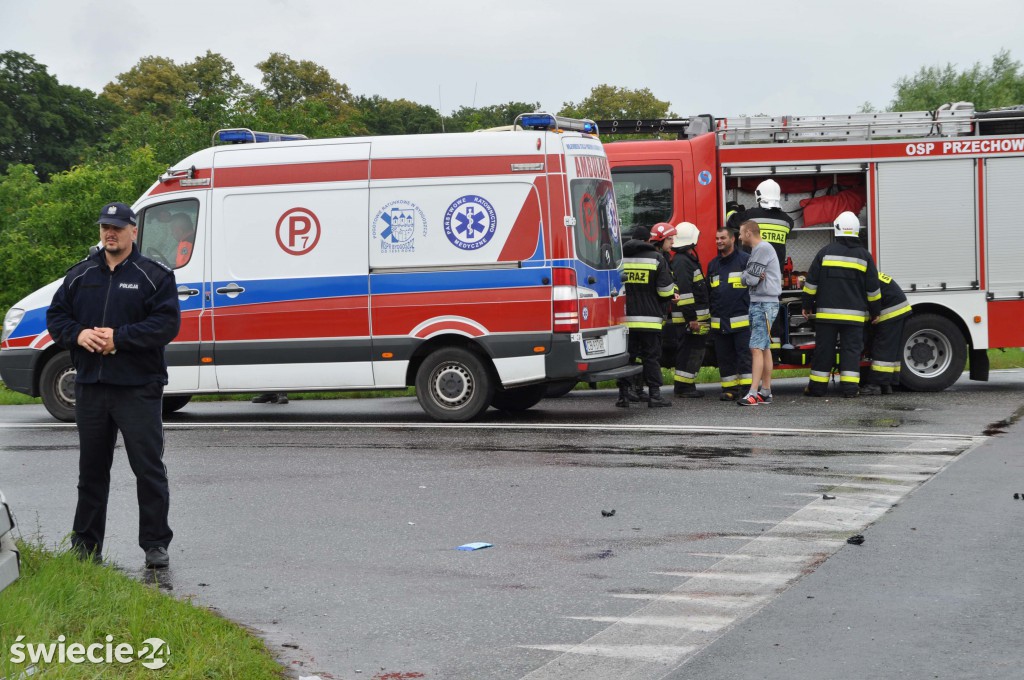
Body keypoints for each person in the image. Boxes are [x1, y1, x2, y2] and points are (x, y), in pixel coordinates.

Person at [46, 201, 180, 569]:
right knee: (91, 471)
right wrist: (79, 334)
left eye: (118, 227)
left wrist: (119, 338)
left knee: (148, 468)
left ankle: (155, 543)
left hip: (137, 387)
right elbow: (56, 317)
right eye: (106, 226)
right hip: (91, 386)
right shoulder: (79, 275)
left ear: (133, 231)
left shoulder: (154, 276)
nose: (110, 233)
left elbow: (166, 325)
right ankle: (85, 546)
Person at [801, 211, 881, 398]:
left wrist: (806, 305)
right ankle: (850, 390)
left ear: (837, 229)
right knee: (851, 352)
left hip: (827, 317)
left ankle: (817, 389)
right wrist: (875, 311)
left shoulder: (825, 252)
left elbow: (811, 283)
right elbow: (873, 289)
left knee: (824, 351)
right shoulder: (864, 256)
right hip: (853, 317)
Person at [616, 225, 676, 408]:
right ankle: (655, 395)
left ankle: (624, 396)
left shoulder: (620, 260)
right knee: (651, 357)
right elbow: (665, 292)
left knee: (628, 358)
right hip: (650, 319)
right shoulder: (656, 258)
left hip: (625, 319)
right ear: (648, 241)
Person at [737, 220, 782, 406]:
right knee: (763, 348)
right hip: (764, 303)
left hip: (763, 304)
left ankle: (753, 393)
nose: (739, 237)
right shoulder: (760, 250)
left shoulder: (761, 249)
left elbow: (750, 279)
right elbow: (749, 277)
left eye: (740, 233)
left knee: (755, 347)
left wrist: (748, 275)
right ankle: (766, 392)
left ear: (748, 232)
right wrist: (749, 276)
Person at [707, 225, 752, 401]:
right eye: (717, 238)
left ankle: (748, 389)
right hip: (720, 322)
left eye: (723, 238)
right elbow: (710, 293)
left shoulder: (745, 260)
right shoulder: (713, 265)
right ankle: (730, 389)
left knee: (744, 357)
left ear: (733, 239)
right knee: (724, 358)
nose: (719, 241)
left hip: (741, 321)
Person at [668, 222, 710, 398]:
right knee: (688, 351)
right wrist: (691, 319)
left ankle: (686, 385)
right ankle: (684, 387)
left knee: (694, 350)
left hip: (694, 318)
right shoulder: (682, 262)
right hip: (690, 320)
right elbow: (685, 292)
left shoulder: (685, 259)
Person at [860, 272, 912, 395]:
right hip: (897, 307)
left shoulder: (860, 278)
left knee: (883, 347)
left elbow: (869, 301)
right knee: (891, 350)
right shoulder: (866, 274)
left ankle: (875, 385)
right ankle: (886, 384)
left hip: (890, 310)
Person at [737, 179, 794, 266]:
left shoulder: (749, 215)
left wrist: (733, 208)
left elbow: (730, 220)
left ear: (758, 195)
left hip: (753, 271)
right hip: (775, 273)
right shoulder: (787, 221)